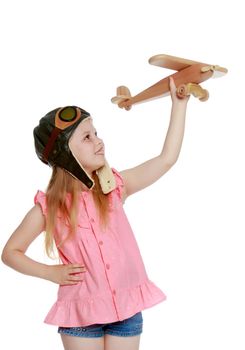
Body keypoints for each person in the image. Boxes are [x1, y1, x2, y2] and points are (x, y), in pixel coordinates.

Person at [1, 77, 189, 350]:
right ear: (64, 153)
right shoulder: (49, 207)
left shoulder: (114, 189)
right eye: (87, 137)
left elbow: (166, 159)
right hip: (81, 315)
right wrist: (49, 272)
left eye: (96, 133)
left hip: (126, 310)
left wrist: (179, 105)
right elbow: (10, 253)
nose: (99, 141)